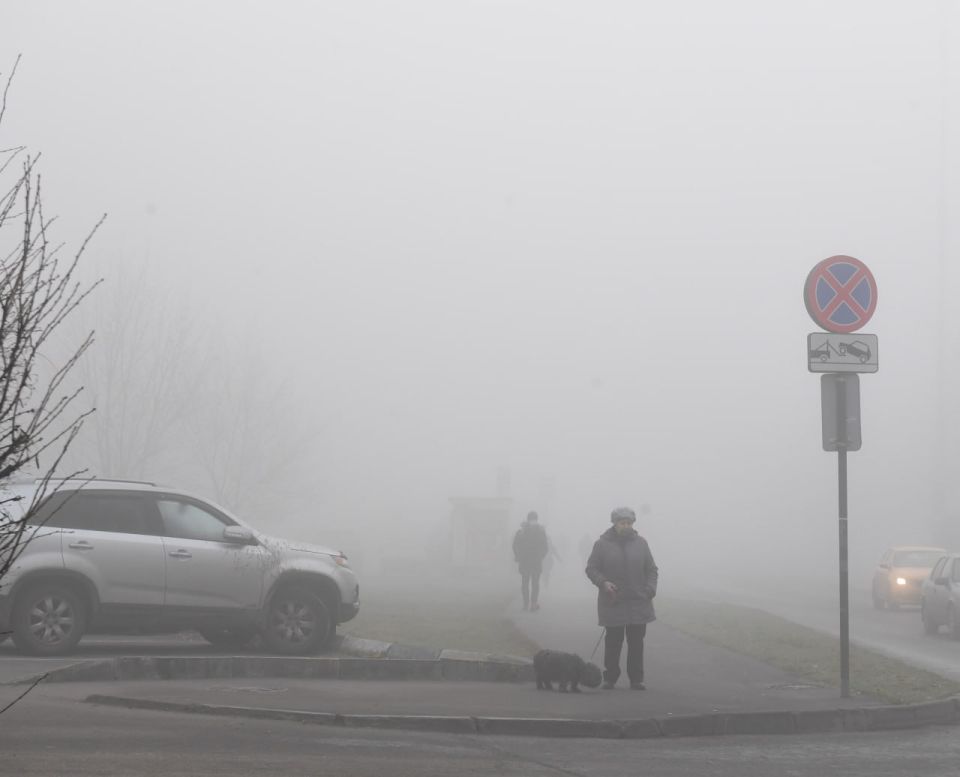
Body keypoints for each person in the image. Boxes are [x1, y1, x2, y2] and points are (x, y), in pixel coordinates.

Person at [585, 506, 658, 690]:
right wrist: (603, 583)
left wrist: (650, 589)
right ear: (615, 524)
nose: (626, 526)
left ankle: (636, 679)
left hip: (638, 601)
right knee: (613, 642)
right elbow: (591, 568)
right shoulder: (601, 544)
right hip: (613, 601)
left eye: (629, 523)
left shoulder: (641, 543)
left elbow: (651, 570)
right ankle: (610, 677)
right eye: (622, 523)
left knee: (636, 643)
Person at [513, 511, 549, 611]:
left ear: (528, 518)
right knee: (535, 583)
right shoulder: (541, 531)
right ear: (537, 519)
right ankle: (533, 604)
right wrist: (540, 556)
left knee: (524, 583)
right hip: (536, 562)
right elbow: (545, 547)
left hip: (524, 562)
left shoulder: (522, 531)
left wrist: (518, 556)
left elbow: (515, 545)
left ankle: (525, 604)